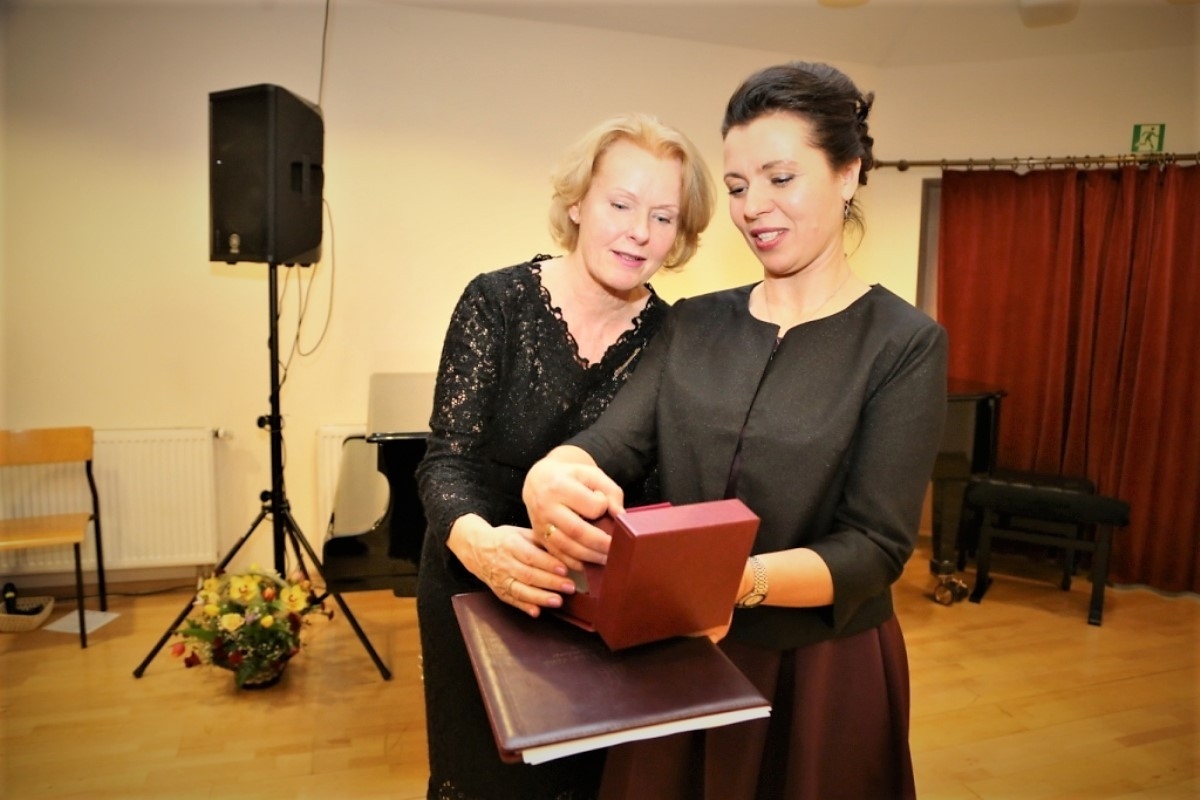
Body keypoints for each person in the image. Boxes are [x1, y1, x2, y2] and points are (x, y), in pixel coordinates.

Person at [522, 62, 947, 799]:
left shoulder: (902, 342)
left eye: (780, 178)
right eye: (740, 186)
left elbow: (876, 548)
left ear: (848, 173)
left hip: (818, 670)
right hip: (678, 654)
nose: (754, 207)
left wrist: (734, 584)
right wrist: (553, 471)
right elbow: (613, 442)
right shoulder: (695, 321)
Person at [415, 112, 716, 800]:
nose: (639, 232)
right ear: (578, 204)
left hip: (591, 600)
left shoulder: (672, 337)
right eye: (621, 205)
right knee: (485, 781)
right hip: (475, 573)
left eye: (663, 217)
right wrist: (483, 549)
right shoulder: (496, 302)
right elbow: (445, 461)